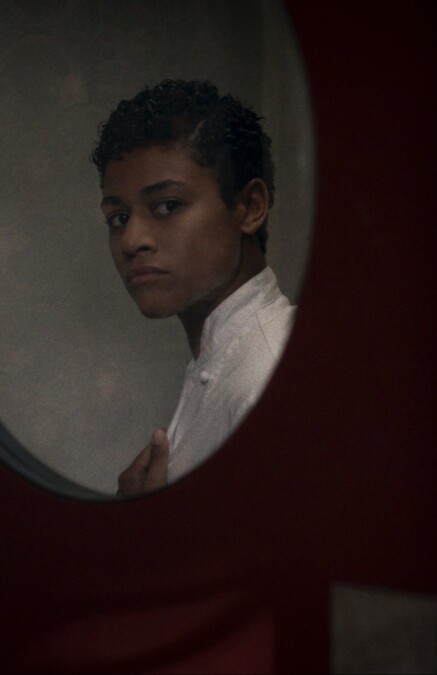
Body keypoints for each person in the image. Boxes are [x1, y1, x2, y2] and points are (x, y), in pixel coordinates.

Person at [90, 80, 295, 498]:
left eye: (167, 205)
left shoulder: (269, 374)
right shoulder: (222, 353)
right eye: (119, 217)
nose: (132, 240)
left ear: (250, 208)